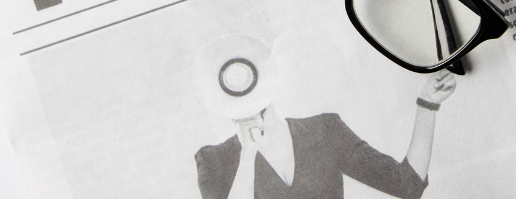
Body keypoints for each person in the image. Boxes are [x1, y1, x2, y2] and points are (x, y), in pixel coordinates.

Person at [193, 34, 456, 199]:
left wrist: (427, 105)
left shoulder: (324, 131)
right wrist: (248, 153)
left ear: (267, 77)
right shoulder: (214, 161)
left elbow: (407, 186)